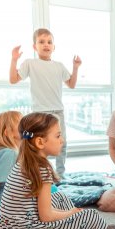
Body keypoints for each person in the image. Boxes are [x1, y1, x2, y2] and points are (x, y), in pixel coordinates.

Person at [0, 112, 115, 229]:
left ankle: (81, 223)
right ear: (40, 142)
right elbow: (46, 216)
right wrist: (70, 214)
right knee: (90, 215)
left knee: (60, 197)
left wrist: (68, 213)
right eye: (58, 136)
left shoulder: (24, 162)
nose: (62, 140)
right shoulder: (42, 169)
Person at [9, 28, 82, 177]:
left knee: (62, 143)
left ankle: (59, 175)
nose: (46, 45)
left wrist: (75, 68)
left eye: (49, 42)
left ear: (54, 47)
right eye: (41, 42)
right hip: (40, 112)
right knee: (40, 144)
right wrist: (14, 59)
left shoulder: (59, 65)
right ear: (34, 46)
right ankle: (40, 173)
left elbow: (72, 84)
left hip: (57, 111)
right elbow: (13, 79)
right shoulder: (30, 63)